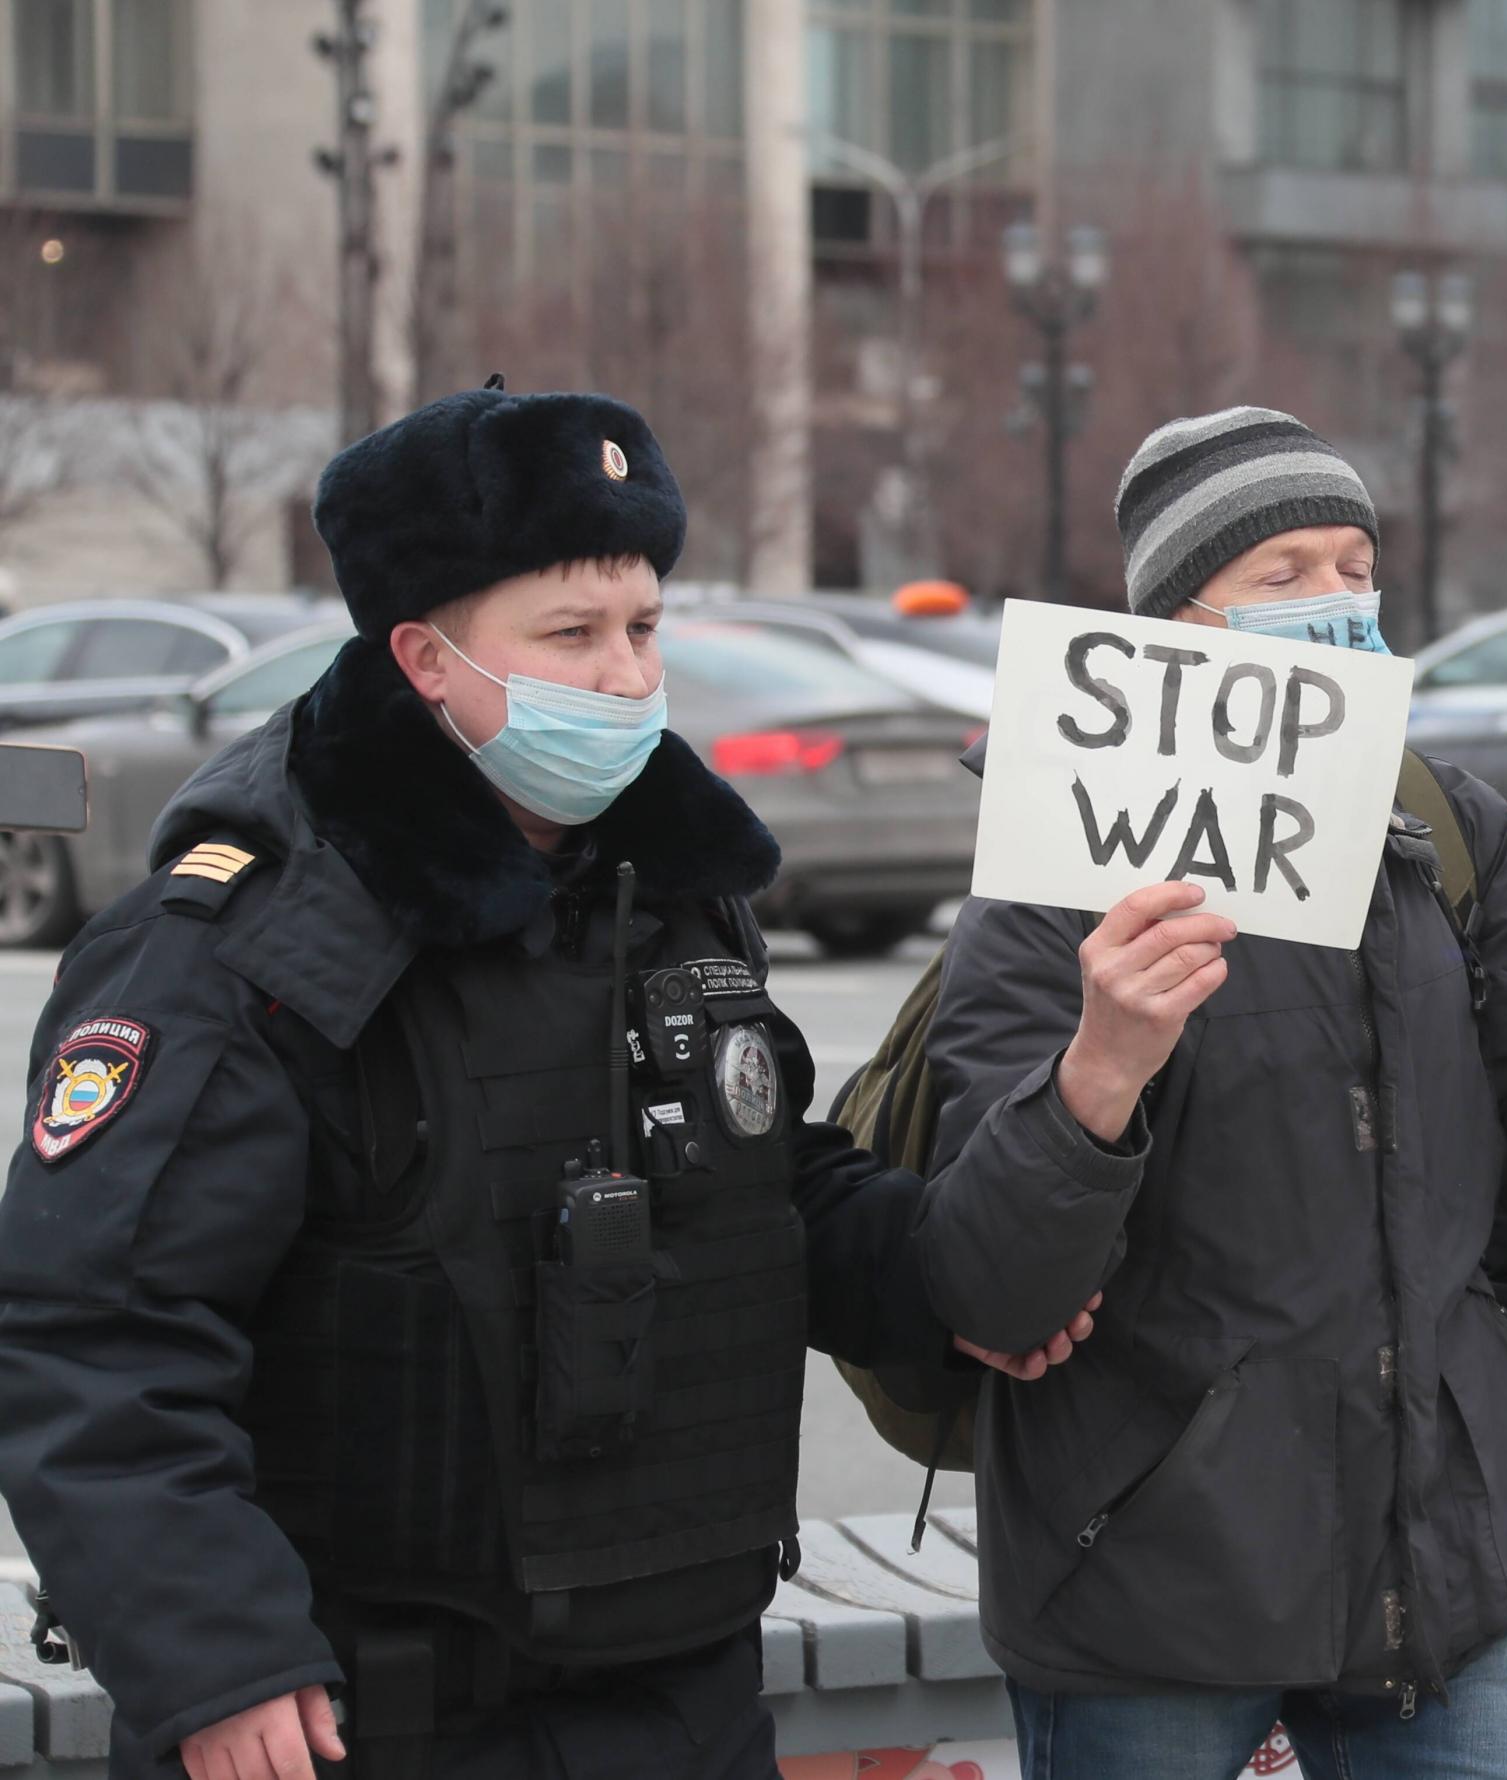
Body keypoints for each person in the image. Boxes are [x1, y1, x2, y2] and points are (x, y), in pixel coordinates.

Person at [0, 383, 1086, 1780]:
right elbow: (95, 1330)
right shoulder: (253, 941)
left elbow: (769, 1193)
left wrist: (952, 1285)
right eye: (571, 635)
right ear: (425, 658)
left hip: (682, 1694)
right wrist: (216, 1659)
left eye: (644, 627)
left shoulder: (670, 896)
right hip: (360, 1718)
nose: (630, 678)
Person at [907, 406, 1507, 1780]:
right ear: (1177, 626)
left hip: (1434, 1563)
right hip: (1150, 1585)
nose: (1337, 605)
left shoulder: (1448, 830)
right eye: (1285, 574)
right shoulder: (1061, 866)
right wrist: (1103, 1069)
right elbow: (991, 1284)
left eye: (1354, 565)